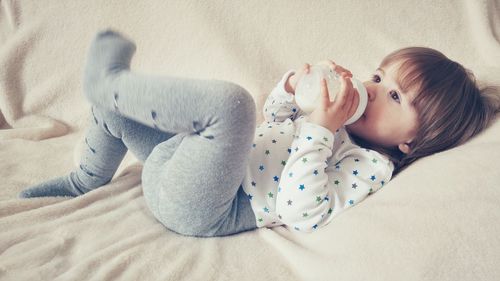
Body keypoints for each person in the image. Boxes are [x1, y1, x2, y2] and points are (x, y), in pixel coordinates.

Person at [19, 30, 498, 237]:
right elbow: (274, 123)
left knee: (232, 105)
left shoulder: (370, 165)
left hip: (211, 204)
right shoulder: (338, 119)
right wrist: (292, 89)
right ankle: (86, 177)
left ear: (410, 144)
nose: (372, 91)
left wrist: (319, 131)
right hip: (174, 163)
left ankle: (114, 80)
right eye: (378, 76)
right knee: (118, 113)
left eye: (395, 97)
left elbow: (302, 211)